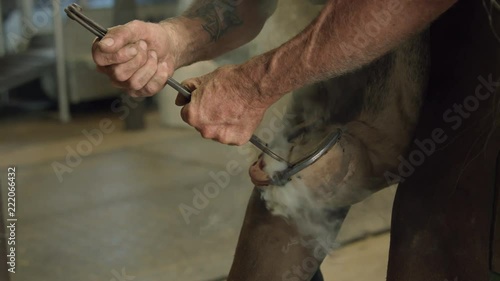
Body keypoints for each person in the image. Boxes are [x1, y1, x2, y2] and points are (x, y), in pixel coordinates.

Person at [93, 0, 500, 280]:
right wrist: (177, 38)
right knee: (282, 202)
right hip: (350, 32)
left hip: (482, 50)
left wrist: (254, 85)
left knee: (435, 250)